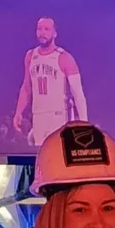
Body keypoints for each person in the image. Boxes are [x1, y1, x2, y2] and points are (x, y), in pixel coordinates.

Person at [13, 17, 89, 146]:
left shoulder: (64, 57)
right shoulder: (30, 56)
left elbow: (78, 94)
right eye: (39, 29)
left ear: (54, 33)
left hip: (60, 116)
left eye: (46, 29)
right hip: (38, 115)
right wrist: (19, 112)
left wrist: (84, 125)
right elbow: (26, 87)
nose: (42, 32)